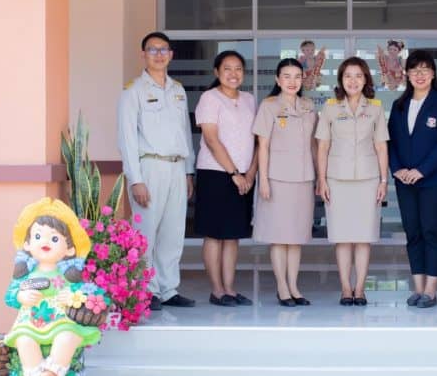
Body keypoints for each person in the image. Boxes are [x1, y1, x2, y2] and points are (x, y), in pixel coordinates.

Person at [117, 31, 196, 310]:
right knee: (146, 231)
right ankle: (145, 290)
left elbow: (184, 132)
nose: (159, 55)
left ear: (171, 54)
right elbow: (127, 138)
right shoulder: (133, 90)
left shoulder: (178, 90)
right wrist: (135, 179)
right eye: (153, 50)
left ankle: (168, 289)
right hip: (149, 167)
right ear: (143, 55)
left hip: (176, 167)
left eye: (164, 50)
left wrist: (188, 171)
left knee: (173, 232)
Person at [315, 57, 389, 306]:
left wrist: (383, 181)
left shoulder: (375, 108)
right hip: (337, 179)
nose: (353, 81)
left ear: (366, 79)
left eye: (358, 75)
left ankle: (360, 289)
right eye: (348, 76)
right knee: (343, 236)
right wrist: (322, 179)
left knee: (363, 237)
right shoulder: (330, 108)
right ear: (341, 80)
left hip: (368, 179)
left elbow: (381, 147)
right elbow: (323, 147)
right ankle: (346, 289)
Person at [387, 50, 437, 308]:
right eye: (414, 70)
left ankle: (431, 290)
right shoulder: (399, 105)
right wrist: (397, 169)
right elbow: (390, 141)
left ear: (433, 73)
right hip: (405, 181)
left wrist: (422, 170)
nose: (420, 75)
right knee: (413, 233)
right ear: (406, 74)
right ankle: (418, 288)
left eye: (425, 69)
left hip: (435, 181)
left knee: (432, 232)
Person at [4, 198, 102, 376]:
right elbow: (10, 294)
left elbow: (81, 292)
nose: (45, 242)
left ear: (70, 249)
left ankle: (51, 372)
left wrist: (72, 297)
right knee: (24, 340)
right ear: (27, 244)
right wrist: (21, 296)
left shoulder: (67, 274)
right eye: (38, 236)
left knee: (66, 338)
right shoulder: (27, 273)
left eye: (54, 238)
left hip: (62, 321)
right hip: (30, 323)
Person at [193, 50, 257, 307]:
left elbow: (257, 140)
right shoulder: (210, 98)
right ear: (217, 72)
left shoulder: (249, 100)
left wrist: (250, 173)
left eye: (238, 69)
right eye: (227, 69)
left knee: (233, 235)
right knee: (214, 234)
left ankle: (229, 288)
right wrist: (233, 173)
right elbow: (211, 139)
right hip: (216, 174)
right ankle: (217, 290)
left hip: (244, 176)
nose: (233, 74)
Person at [252, 58, 318, 307]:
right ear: (278, 80)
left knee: (296, 236)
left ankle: (294, 286)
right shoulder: (269, 106)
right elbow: (263, 146)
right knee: (279, 235)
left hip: (303, 178)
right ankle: (282, 287)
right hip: (277, 178)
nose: (292, 81)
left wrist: (320, 176)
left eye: (297, 76)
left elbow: (314, 145)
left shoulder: (308, 106)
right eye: (287, 76)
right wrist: (263, 180)